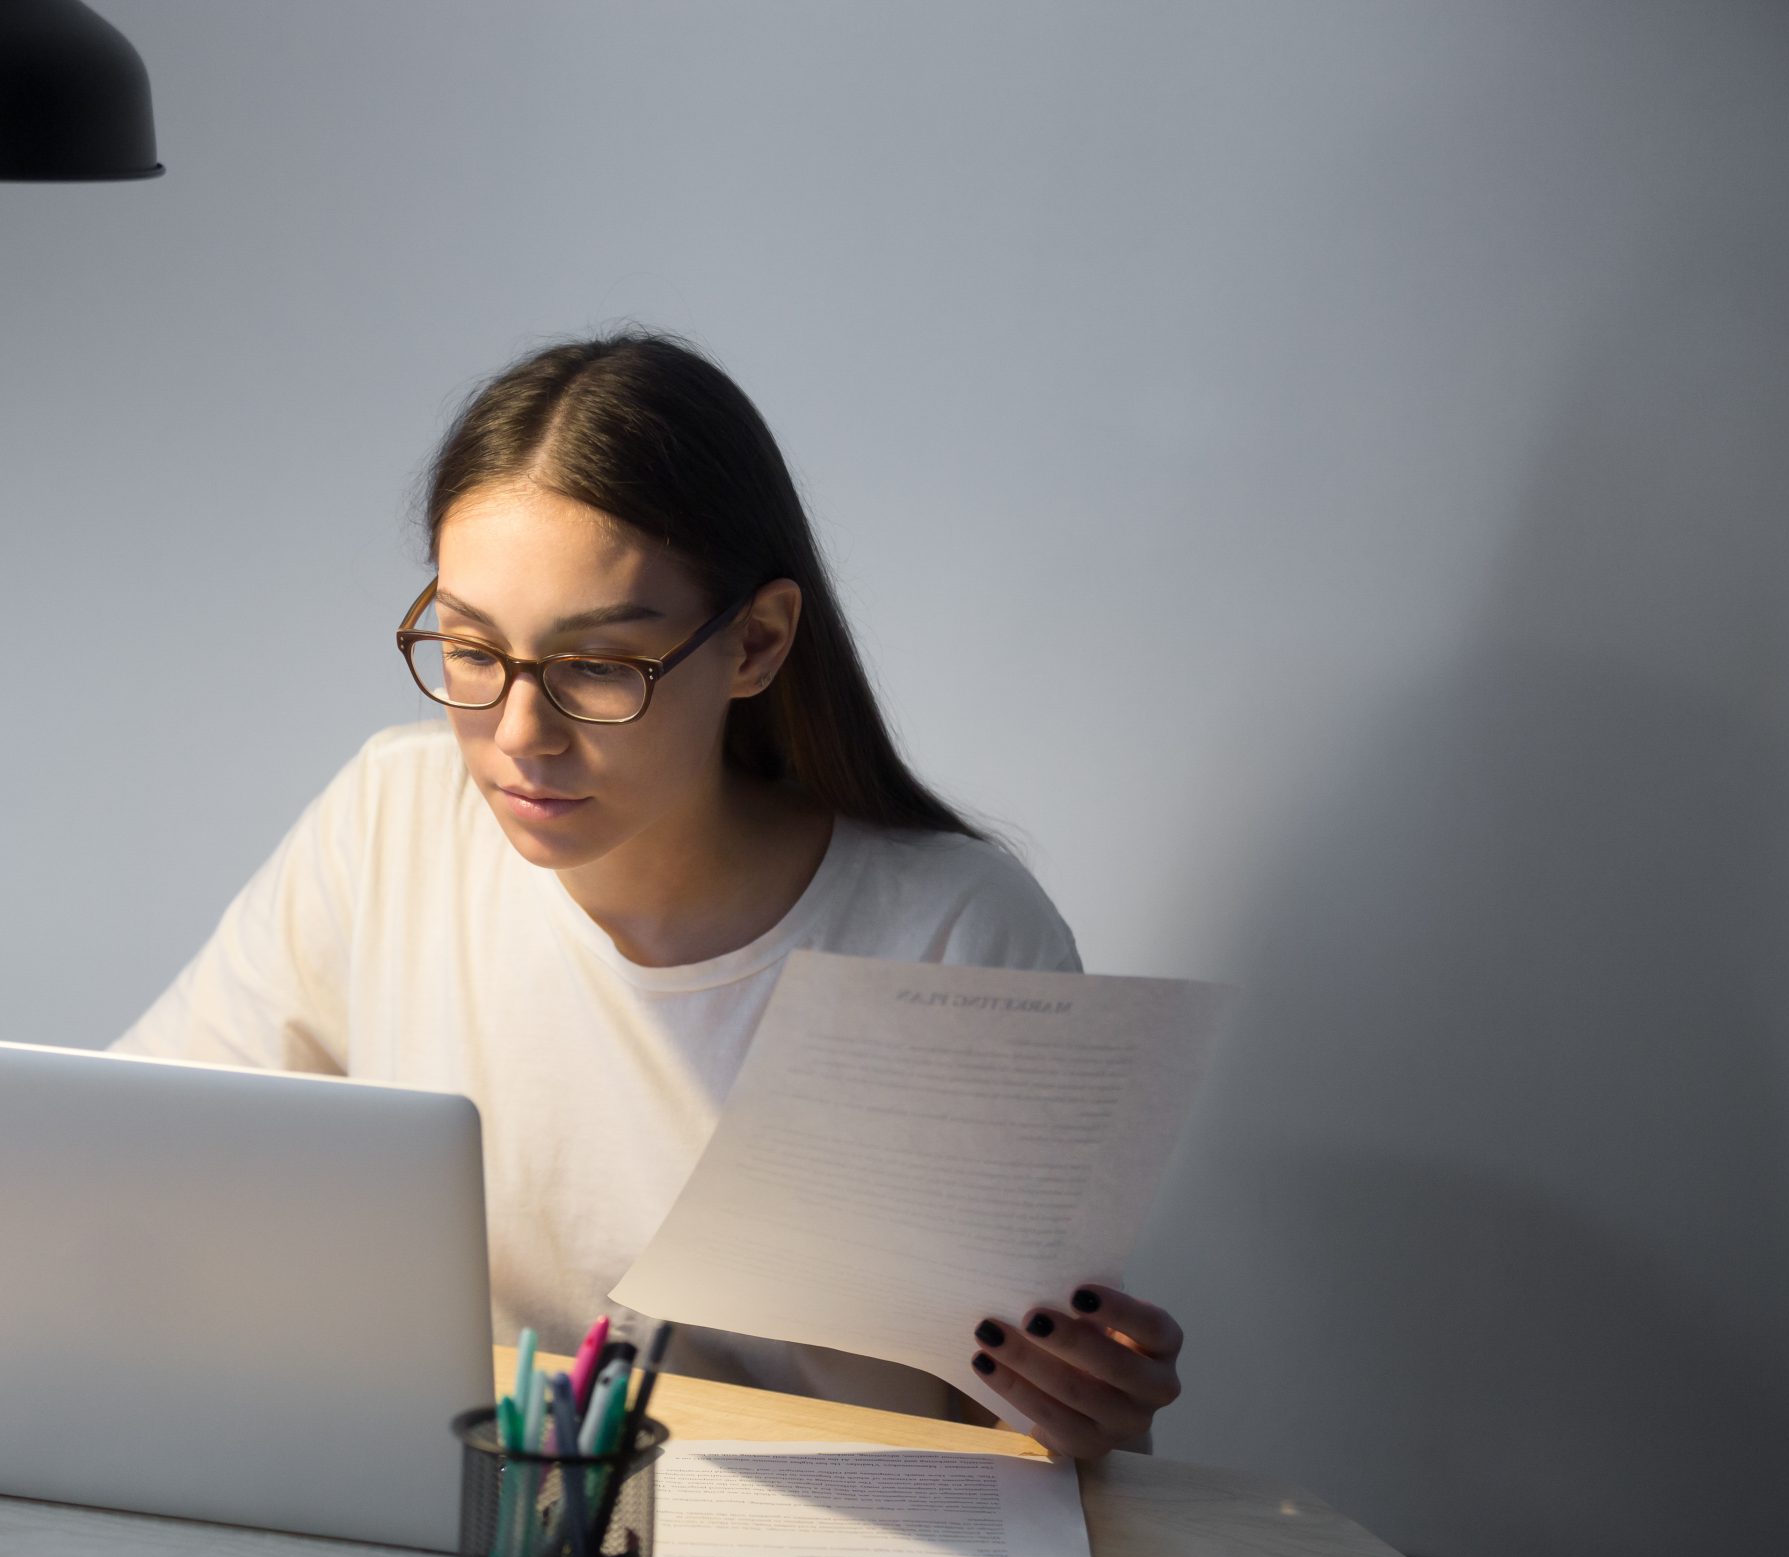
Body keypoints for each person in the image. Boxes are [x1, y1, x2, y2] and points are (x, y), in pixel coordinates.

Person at [113, 329, 1183, 1458]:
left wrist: (1076, 1403)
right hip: (476, 1523)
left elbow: (1020, 1431)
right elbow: (135, 1155)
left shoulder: (951, 930)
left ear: (757, 645)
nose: (521, 736)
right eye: (471, 650)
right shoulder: (394, 811)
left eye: (594, 666)